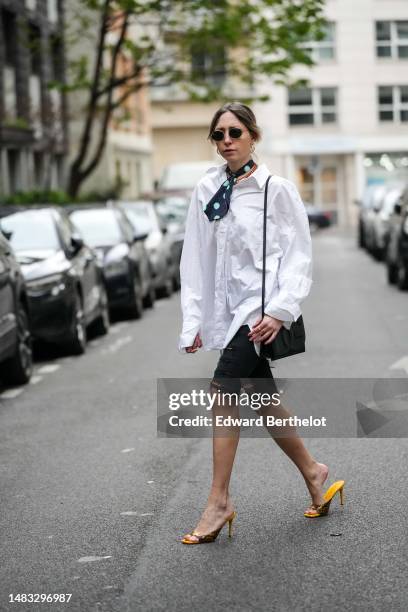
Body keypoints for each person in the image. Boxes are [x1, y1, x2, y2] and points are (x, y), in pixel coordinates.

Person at [178, 102, 344, 545]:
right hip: (227, 312)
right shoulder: (207, 188)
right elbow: (195, 256)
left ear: (253, 136)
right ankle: (314, 472)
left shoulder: (276, 189)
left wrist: (280, 310)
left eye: (234, 132)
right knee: (263, 397)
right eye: (218, 135)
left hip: (258, 309)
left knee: (222, 391)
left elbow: (298, 255)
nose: (226, 141)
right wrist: (193, 319)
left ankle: (219, 502)